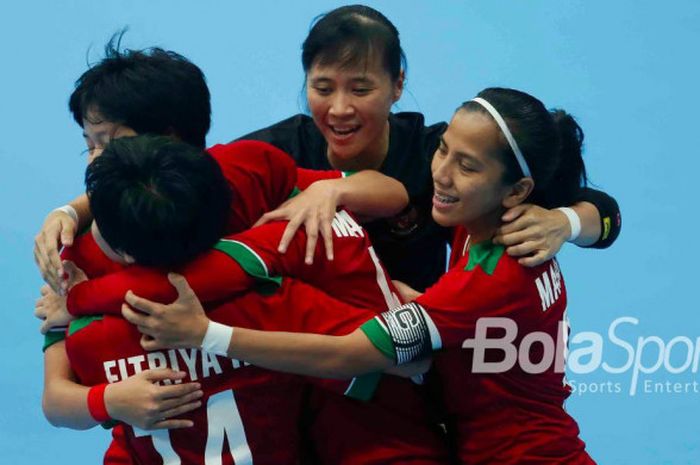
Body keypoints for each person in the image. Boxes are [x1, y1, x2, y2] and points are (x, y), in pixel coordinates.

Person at [125, 88, 599, 464]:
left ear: (517, 190)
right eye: (443, 150)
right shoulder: (489, 225)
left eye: (467, 166)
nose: (443, 175)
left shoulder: (493, 272)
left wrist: (205, 333)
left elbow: (347, 356)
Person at [42, 135, 447, 464]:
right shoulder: (282, 278)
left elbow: (58, 404)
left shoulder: (89, 334)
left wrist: (78, 299)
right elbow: (411, 359)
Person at [241, 4, 621, 292]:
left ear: (397, 85)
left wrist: (563, 223)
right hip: (294, 350)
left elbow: (605, 216)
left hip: (414, 355)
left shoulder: (440, 160)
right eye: (322, 89)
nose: (339, 109)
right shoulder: (270, 156)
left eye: (361, 89)